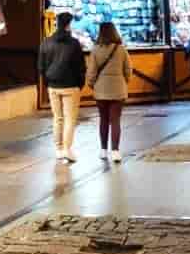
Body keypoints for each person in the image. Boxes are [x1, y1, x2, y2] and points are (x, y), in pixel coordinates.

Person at [38, 11, 87, 161]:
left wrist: (48, 82)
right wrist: (80, 84)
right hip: (70, 85)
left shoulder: (46, 42)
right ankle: (67, 148)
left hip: (53, 86)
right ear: (68, 25)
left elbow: (40, 66)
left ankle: (58, 149)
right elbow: (80, 66)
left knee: (58, 118)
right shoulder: (74, 44)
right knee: (70, 118)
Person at [86, 21, 133, 161]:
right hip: (118, 89)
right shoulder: (121, 50)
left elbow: (91, 72)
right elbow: (128, 70)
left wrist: (91, 84)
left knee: (103, 120)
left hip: (101, 90)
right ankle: (116, 151)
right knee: (115, 120)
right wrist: (125, 81)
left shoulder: (95, 50)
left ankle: (103, 150)